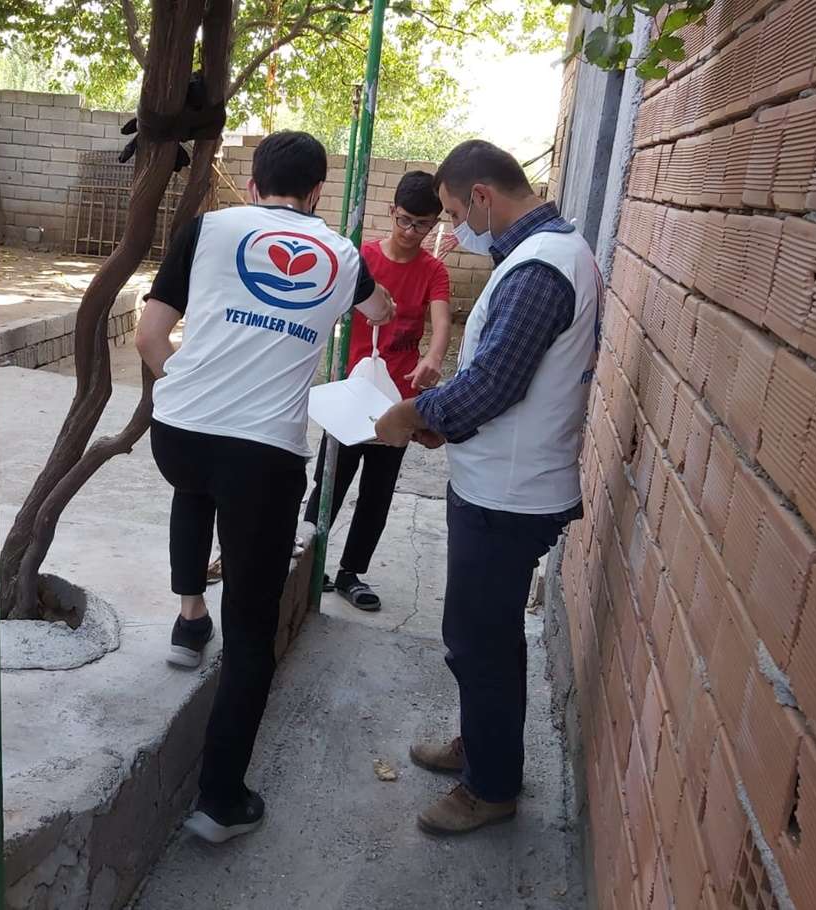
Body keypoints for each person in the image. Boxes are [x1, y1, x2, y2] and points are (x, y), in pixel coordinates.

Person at [135, 130, 395, 844]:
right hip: (263, 459)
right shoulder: (343, 255)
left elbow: (149, 335)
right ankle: (220, 801)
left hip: (177, 434)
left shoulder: (207, 229)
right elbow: (380, 313)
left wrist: (184, 389)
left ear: (252, 186)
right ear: (317, 193)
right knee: (252, 630)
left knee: (196, 487)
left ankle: (189, 622)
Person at [374, 140, 601, 837]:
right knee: (481, 633)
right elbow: (496, 379)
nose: (451, 229)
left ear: (481, 196)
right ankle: (483, 744)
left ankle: (491, 787)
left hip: (509, 495)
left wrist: (415, 414)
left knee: (480, 640)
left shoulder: (542, 269)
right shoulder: (544, 255)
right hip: (500, 481)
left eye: (451, 213)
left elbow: (496, 382)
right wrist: (444, 420)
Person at [303, 170, 453, 611]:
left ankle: (351, 572)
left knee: (378, 489)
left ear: (434, 225)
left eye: (422, 225)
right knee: (330, 480)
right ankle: (308, 559)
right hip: (351, 393)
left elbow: (442, 321)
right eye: (404, 220)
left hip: (397, 400)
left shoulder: (434, 271)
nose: (410, 232)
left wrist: (433, 357)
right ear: (391, 212)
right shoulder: (361, 258)